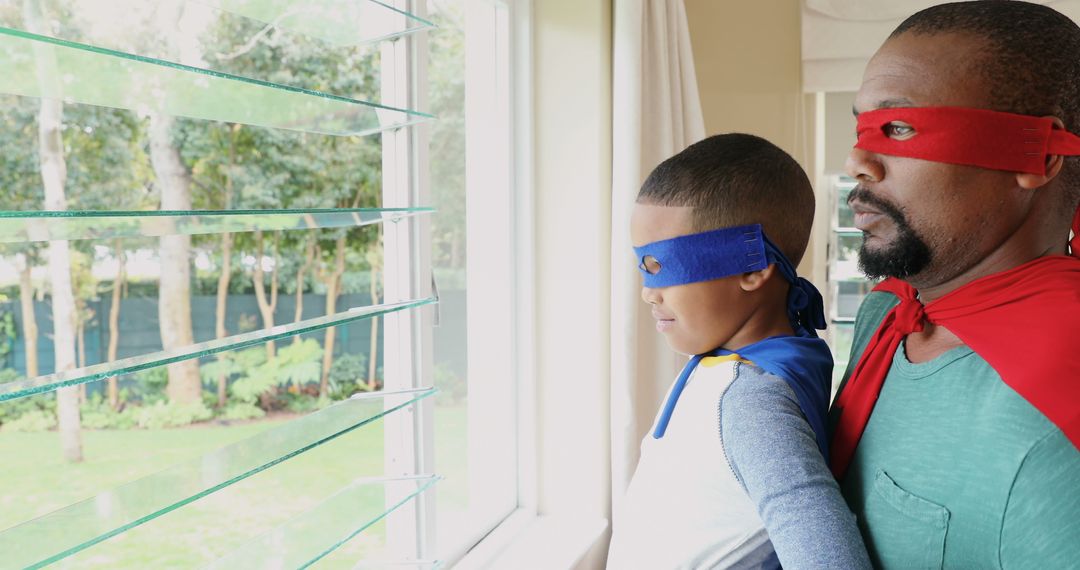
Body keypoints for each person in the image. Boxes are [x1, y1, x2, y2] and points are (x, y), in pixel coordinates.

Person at [828, 2, 1080, 568]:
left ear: (1034, 155)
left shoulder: (1061, 413)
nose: (856, 161)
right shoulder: (888, 312)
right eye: (861, 126)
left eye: (897, 127)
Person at [607, 133, 871, 569]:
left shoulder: (753, 403)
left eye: (664, 267)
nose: (648, 293)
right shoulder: (726, 364)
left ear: (752, 268)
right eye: (643, 267)